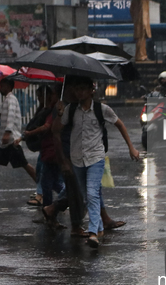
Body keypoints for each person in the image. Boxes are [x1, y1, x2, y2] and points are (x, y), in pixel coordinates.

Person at [52, 76, 140, 248]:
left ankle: (93, 233)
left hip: (96, 158)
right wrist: (59, 114)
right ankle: (98, 226)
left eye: (83, 89)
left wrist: (131, 147)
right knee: (87, 196)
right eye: (77, 89)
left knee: (92, 193)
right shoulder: (70, 110)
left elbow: (120, 124)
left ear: (91, 90)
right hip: (77, 159)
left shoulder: (102, 109)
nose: (79, 92)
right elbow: (56, 130)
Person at [0, 78, 37, 195]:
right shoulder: (8, 100)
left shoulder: (11, 99)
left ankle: (41, 185)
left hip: (11, 140)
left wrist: (7, 133)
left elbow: (10, 116)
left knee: (24, 165)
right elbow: (7, 117)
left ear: (8, 86)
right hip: (8, 141)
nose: (0, 88)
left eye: (2, 86)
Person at [24, 85, 55, 207]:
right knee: (46, 175)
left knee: (48, 175)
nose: (38, 99)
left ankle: (44, 197)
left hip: (51, 147)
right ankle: (46, 203)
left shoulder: (53, 110)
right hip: (44, 146)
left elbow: (46, 126)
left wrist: (30, 133)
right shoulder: (43, 109)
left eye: (40, 96)